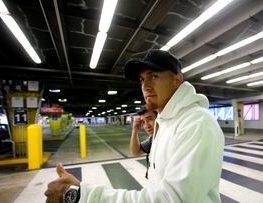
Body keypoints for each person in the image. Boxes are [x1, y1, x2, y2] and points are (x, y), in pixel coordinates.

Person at [45, 49, 225, 203]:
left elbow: (171, 199)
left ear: (177, 79)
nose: (145, 86)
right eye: (141, 79)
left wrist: (83, 195)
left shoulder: (196, 123)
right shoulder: (165, 121)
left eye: (154, 76)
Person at [130, 108, 156, 178]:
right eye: (143, 122)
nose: (147, 126)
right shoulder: (152, 139)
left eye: (150, 119)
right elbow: (135, 151)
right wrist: (135, 130)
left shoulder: (167, 139)